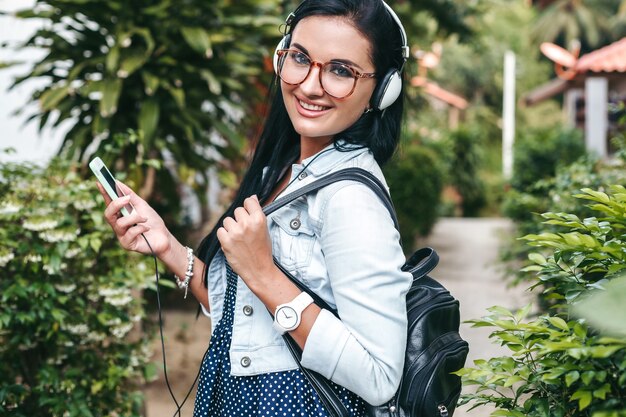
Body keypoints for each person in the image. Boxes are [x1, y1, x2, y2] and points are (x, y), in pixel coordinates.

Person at [98, 1, 413, 415]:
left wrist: (264, 273)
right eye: (300, 58)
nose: (310, 85)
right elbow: (244, 317)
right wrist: (168, 247)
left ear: (383, 89)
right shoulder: (282, 171)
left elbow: (380, 375)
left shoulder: (350, 201)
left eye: (341, 70)